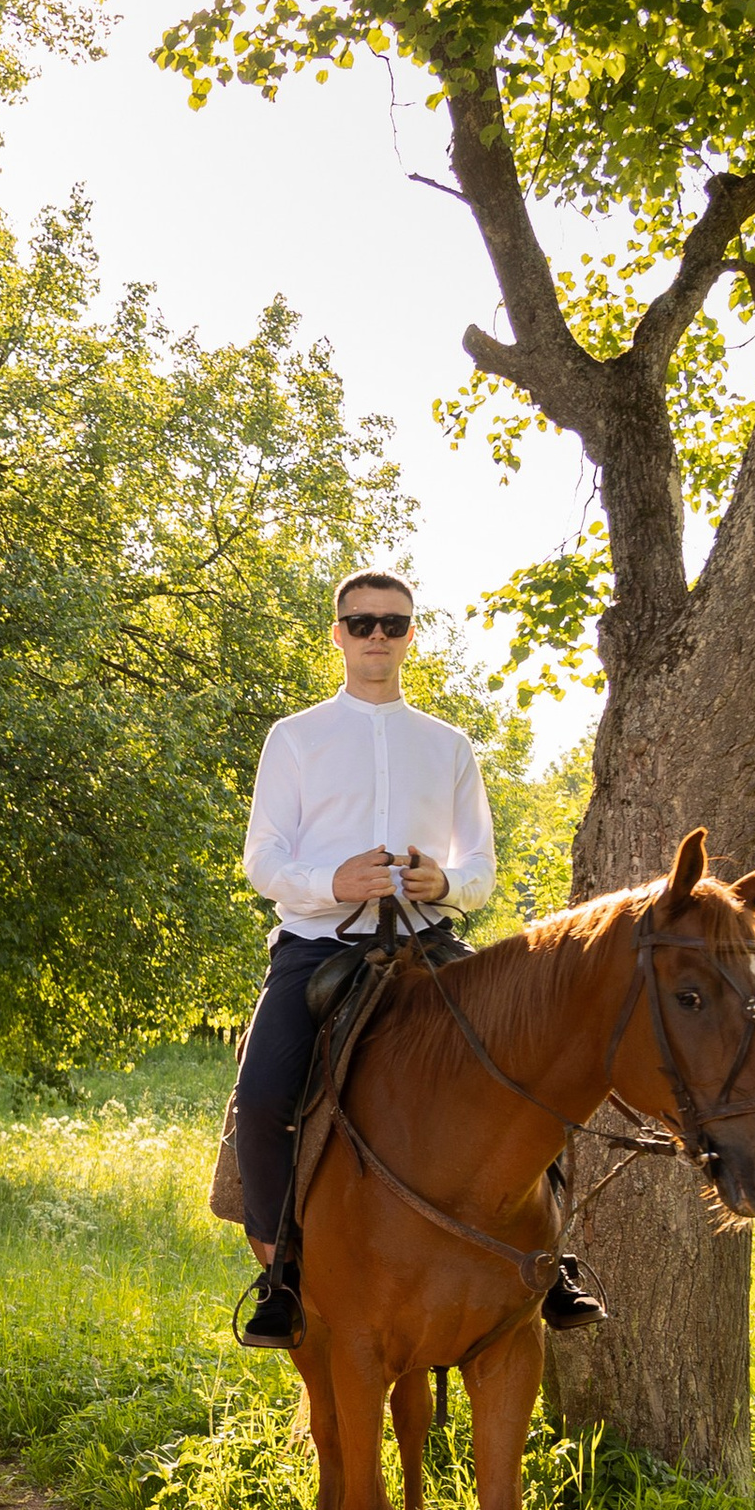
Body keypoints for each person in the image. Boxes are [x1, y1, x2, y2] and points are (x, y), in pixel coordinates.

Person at [232, 569, 603, 1349]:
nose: (376, 636)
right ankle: (281, 1278)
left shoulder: (448, 744)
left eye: (392, 624)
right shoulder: (294, 737)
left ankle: (556, 1259)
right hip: (317, 946)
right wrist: (333, 881)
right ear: (336, 633)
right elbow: (261, 859)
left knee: (538, 1072)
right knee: (264, 1094)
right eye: (361, 622)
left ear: (411, 636)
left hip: (428, 947)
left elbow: (480, 866)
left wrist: (447, 882)